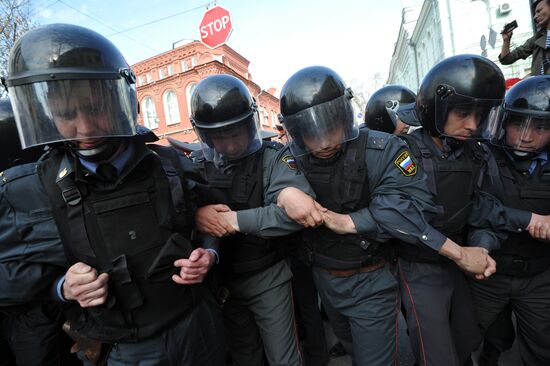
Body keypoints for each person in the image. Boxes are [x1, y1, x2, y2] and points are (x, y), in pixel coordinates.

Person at [0, 23, 224, 365]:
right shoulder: (30, 189)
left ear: (120, 101)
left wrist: (209, 253)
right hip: (124, 350)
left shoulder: (170, 164)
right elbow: (10, 279)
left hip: (196, 329)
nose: (85, 128)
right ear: (47, 116)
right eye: (66, 115)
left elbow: (212, 218)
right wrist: (63, 287)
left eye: (94, 108)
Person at [276, 65, 496, 366]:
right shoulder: (289, 158)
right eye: (311, 134)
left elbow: (404, 207)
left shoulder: (383, 149)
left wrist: (345, 222)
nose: (324, 142)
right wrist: (285, 193)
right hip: (325, 276)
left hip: (375, 273)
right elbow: (275, 182)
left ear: (344, 117)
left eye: (329, 128)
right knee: (353, 346)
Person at [394, 54, 550, 366]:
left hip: (493, 268)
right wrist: (467, 252)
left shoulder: (473, 153)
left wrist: (481, 248)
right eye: (463, 113)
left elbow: (480, 207)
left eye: (480, 116)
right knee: (447, 344)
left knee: (484, 339)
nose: (473, 125)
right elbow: (405, 214)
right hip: (445, 266)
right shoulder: (411, 152)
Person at [190, 74, 310, 366]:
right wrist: (197, 218)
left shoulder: (272, 158)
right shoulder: (198, 165)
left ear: (249, 126)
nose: (231, 145)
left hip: (268, 276)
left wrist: (232, 221)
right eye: (221, 137)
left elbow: (293, 216)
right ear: (206, 137)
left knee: (284, 357)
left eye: (236, 134)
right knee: (245, 354)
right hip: (225, 280)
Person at [468, 75, 550, 366]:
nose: (526, 136)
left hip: (539, 276)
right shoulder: (482, 157)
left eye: (540, 127)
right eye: (518, 124)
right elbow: (475, 206)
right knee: (472, 337)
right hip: (490, 272)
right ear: (504, 123)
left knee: (542, 347)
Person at [499, 0, 550, 75]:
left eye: (539, 11)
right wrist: (506, 40)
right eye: (535, 13)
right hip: (540, 86)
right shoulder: (537, 39)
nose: (535, 17)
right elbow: (506, 59)